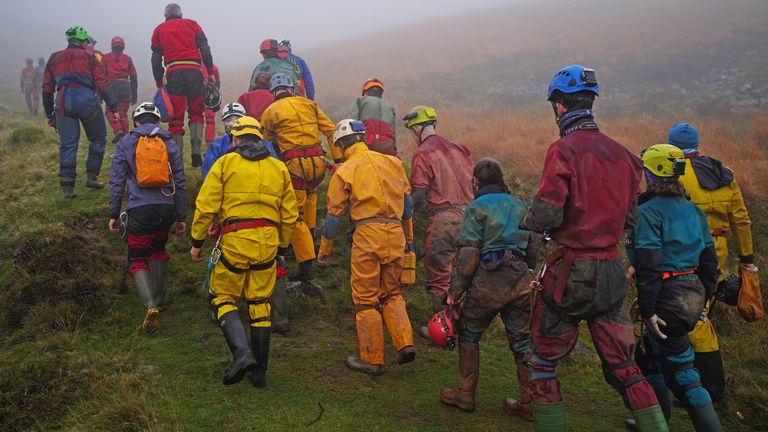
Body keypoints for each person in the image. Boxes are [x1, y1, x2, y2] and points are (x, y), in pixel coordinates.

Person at [519, 65, 667, 431]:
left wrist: (531, 221)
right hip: (612, 273)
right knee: (623, 366)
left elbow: (548, 213)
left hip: (570, 275)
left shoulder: (563, 150)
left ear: (558, 106)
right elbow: (631, 221)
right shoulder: (627, 157)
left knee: (541, 362)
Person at [190, 116, 298, 387]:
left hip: (236, 241)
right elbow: (289, 214)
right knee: (260, 303)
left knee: (222, 297)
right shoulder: (278, 168)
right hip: (268, 243)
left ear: (235, 139)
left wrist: (197, 242)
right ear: (260, 139)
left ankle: (241, 354)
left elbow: (205, 206)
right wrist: (282, 246)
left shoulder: (225, 163)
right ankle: (259, 373)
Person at [626, 144, 723, 431]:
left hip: (666, 296)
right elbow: (709, 262)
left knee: (683, 374)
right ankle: (656, 422)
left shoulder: (648, 213)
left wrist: (648, 308)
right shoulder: (693, 211)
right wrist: (704, 300)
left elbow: (650, 266)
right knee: (650, 358)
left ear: (650, 172)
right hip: (692, 292)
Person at [439, 158, 538, 420]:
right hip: (520, 280)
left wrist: (454, 293)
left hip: (488, 281)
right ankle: (529, 402)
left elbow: (468, 256)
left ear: (475, 181)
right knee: (522, 341)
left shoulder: (476, 208)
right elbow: (532, 249)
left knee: (469, 334)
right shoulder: (521, 205)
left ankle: (465, 394)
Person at [669, 122, 757, 409]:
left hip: (688, 251)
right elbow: (741, 219)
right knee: (699, 311)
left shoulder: (677, 172)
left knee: (694, 319)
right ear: (697, 143)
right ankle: (700, 387)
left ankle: (709, 392)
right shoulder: (723, 173)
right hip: (717, 251)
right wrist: (747, 259)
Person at [317, 119, 415, 375]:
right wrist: (410, 238)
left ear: (340, 144)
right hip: (395, 234)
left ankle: (372, 359)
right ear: (362, 137)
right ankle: (405, 343)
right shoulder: (393, 162)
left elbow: (334, 215)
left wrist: (324, 250)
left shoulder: (345, 170)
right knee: (392, 292)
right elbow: (408, 205)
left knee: (365, 301)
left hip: (367, 235)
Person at [108, 102, 187, 335]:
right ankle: (161, 300)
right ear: (157, 121)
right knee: (158, 248)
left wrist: (113, 213)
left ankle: (150, 304)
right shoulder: (169, 143)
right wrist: (181, 216)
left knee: (137, 257)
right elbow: (180, 182)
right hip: (166, 207)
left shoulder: (125, 143)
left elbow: (117, 182)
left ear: (136, 122)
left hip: (139, 210)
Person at [260, 73, 340, 281]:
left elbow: (265, 141)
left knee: (294, 216)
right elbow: (331, 130)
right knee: (311, 198)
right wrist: (339, 159)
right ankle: (310, 242)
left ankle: (305, 265)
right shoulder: (308, 104)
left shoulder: (270, 111)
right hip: (319, 164)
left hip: (295, 166)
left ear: (273, 92)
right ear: (292, 89)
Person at [403, 105, 473, 338]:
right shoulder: (460, 149)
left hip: (444, 219)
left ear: (417, 129)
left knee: (439, 274)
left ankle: (442, 331)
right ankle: (463, 326)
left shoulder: (423, 153)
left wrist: (404, 215)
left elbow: (420, 195)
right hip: (471, 218)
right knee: (461, 273)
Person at [42, 25, 119, 198]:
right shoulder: (90, 57)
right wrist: (113, 107)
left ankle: (68, 186)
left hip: (63, 100)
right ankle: (92, 176)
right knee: (98, 137)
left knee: (68, 144)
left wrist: (49, 114)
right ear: (84, 42)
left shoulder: (54, 57)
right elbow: (101, 83)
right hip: (86, 99)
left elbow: (47, 88)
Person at [151, 2, 215, 167]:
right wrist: (210, 71)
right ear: (180, 14)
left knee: (176, 118)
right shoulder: (192, 24)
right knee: (196, 113)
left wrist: (159, 80)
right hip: (194, 71)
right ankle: (195, 150)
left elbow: (155, 59)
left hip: (174, 74)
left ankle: (177, 158)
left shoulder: (159, 30)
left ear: (166, 15)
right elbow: (205, 48)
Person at [345, 77, 397, 156]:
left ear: (365, 92)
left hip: (366, 144)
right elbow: (393, 133)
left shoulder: (360, 101)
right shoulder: (390, 107)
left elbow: (350, 122)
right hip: (388, 148)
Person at [102, 36, 138, 144]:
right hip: (126, 87)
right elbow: (133, 76)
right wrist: (134, 94)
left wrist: (100, 93)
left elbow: (101, 76)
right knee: (122, 113)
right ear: (123, 46)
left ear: (112, 46)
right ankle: (126, 139)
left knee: (110, 110)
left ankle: (118, 130)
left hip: (112, 87)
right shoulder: (127, 58)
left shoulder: (105, 58)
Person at [201, 63, 221, 145]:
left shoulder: (193, 63)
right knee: (210, 120)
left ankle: (195, 145)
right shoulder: (212, 66)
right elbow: (217, 82)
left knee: (194, 118)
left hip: (194, 94)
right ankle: (209, 144)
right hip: (209, 96)